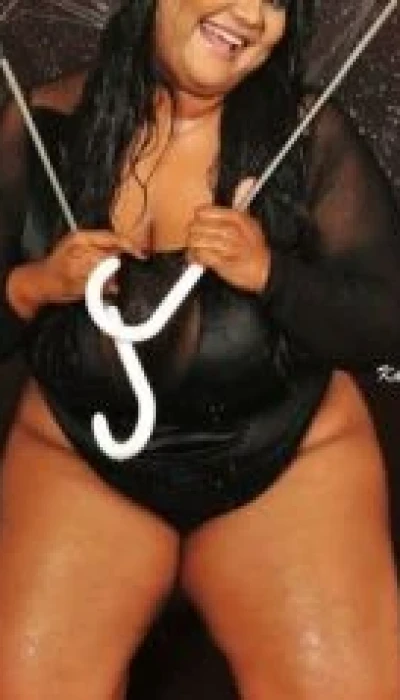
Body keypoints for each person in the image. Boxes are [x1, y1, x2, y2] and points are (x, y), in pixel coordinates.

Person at [0, 0, 399, 698]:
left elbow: (384, 321)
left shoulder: (305, 134)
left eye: (275, 1)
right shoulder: (40, 126)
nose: (249, 14)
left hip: (284, 459)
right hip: (80, 454)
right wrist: (35, 285)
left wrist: (272, 275)